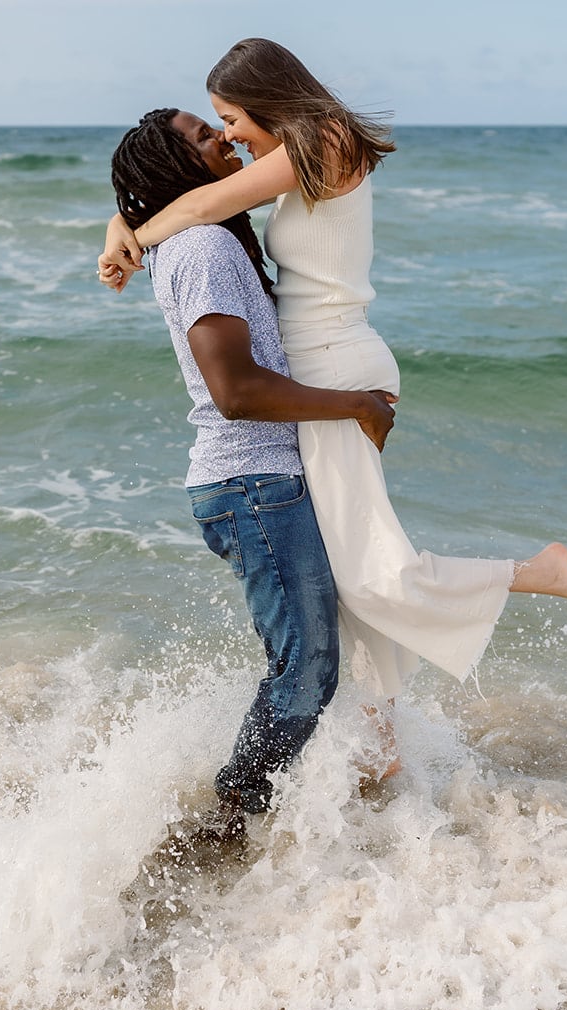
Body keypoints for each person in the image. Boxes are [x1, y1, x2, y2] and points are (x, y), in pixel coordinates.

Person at [99, 40, 567, 757]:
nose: (229, 135)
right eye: (216, 125)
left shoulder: (323, 139)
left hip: (335, 368)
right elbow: (191, 202)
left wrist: (127, 234)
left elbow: (200, 202)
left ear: (265, 97)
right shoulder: (296, 153)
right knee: (356, 572)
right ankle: (381, 735)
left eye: (228, 117)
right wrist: (123, 224)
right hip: (323, 373)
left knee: (378, 576)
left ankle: (538, 571)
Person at [110, 108, 399, 836]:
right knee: (306, 671)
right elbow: (235, 393)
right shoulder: (203, 246)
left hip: (259, 483)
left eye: (223, 123)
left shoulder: (204, 236)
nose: (224, 138)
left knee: (307, 663)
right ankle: (228, 819)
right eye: (205, 135)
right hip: (251, 485)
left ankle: (268, 807)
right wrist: (352, 404)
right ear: (179, 170)